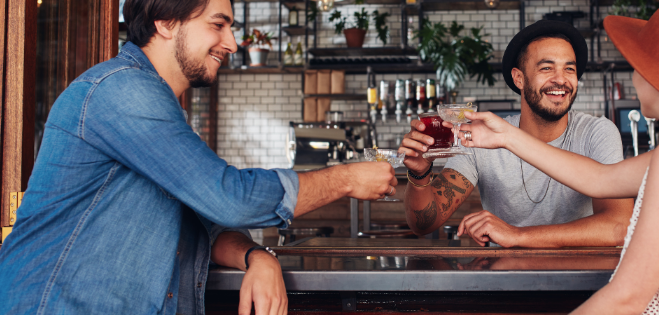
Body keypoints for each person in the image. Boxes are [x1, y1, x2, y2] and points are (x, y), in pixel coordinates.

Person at [0, 0, 397, 314]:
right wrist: (346, 178)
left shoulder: (160, 108)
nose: (233, 43)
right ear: (166, 22)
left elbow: (202, 224)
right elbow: (230, 198)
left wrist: (256, 255)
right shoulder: (122, 92)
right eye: (218, 24)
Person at [458, 0, 659, 313]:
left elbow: (627, 298)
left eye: (636, 64)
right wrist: (506, 135)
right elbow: (599, 179)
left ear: (654, 76)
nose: (633, 76)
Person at [399, 20, 633, 248]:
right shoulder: (483, 136)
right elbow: (424, 224)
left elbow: (619, 227)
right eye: (546, 68)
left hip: (581, 280)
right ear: (518, 78)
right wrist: (420, 174)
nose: (561, 79)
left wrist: (519, 235)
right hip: (505, 280)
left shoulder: (596, 132)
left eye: (569, 69)